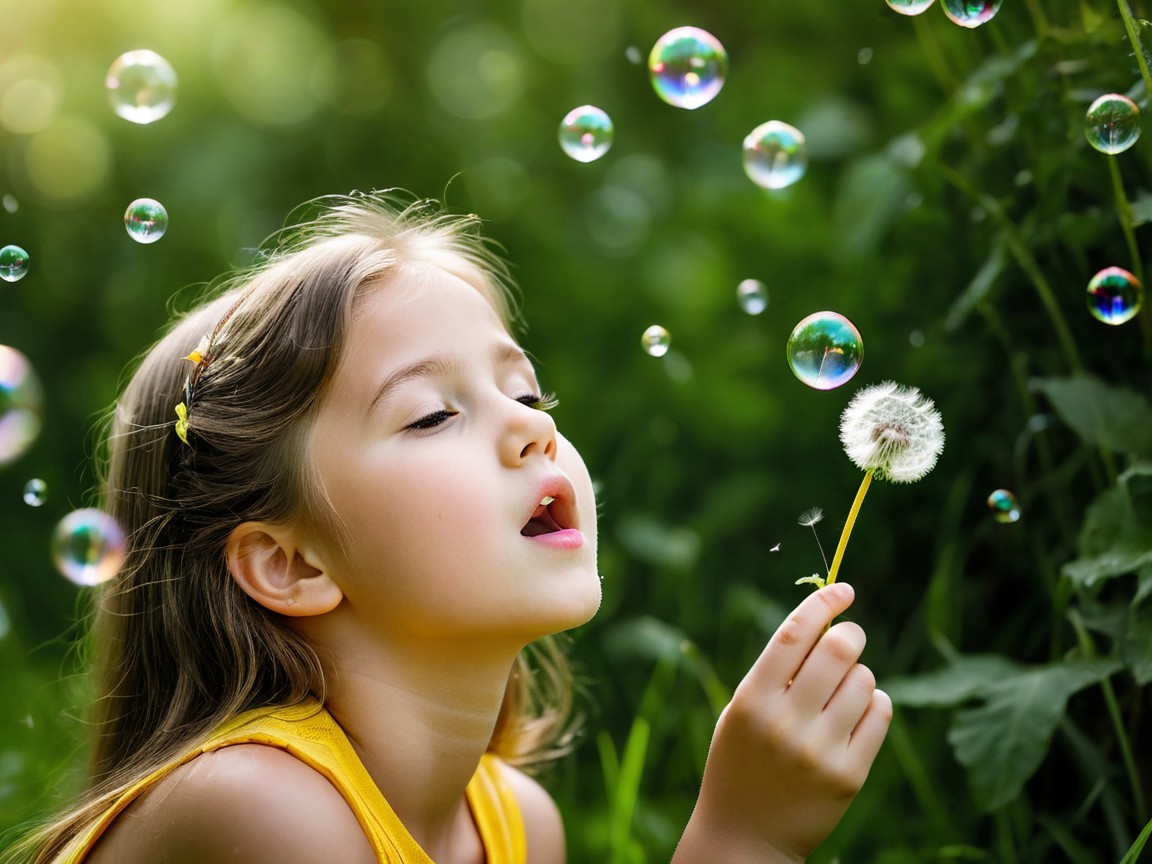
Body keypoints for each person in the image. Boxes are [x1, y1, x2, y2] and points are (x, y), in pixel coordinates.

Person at [6, 191, 891, 864]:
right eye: (432, 415)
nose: (532, 426)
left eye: (526, 391)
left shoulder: (516, 825)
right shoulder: (259, 807)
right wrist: (741, 841)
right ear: (287, 562)